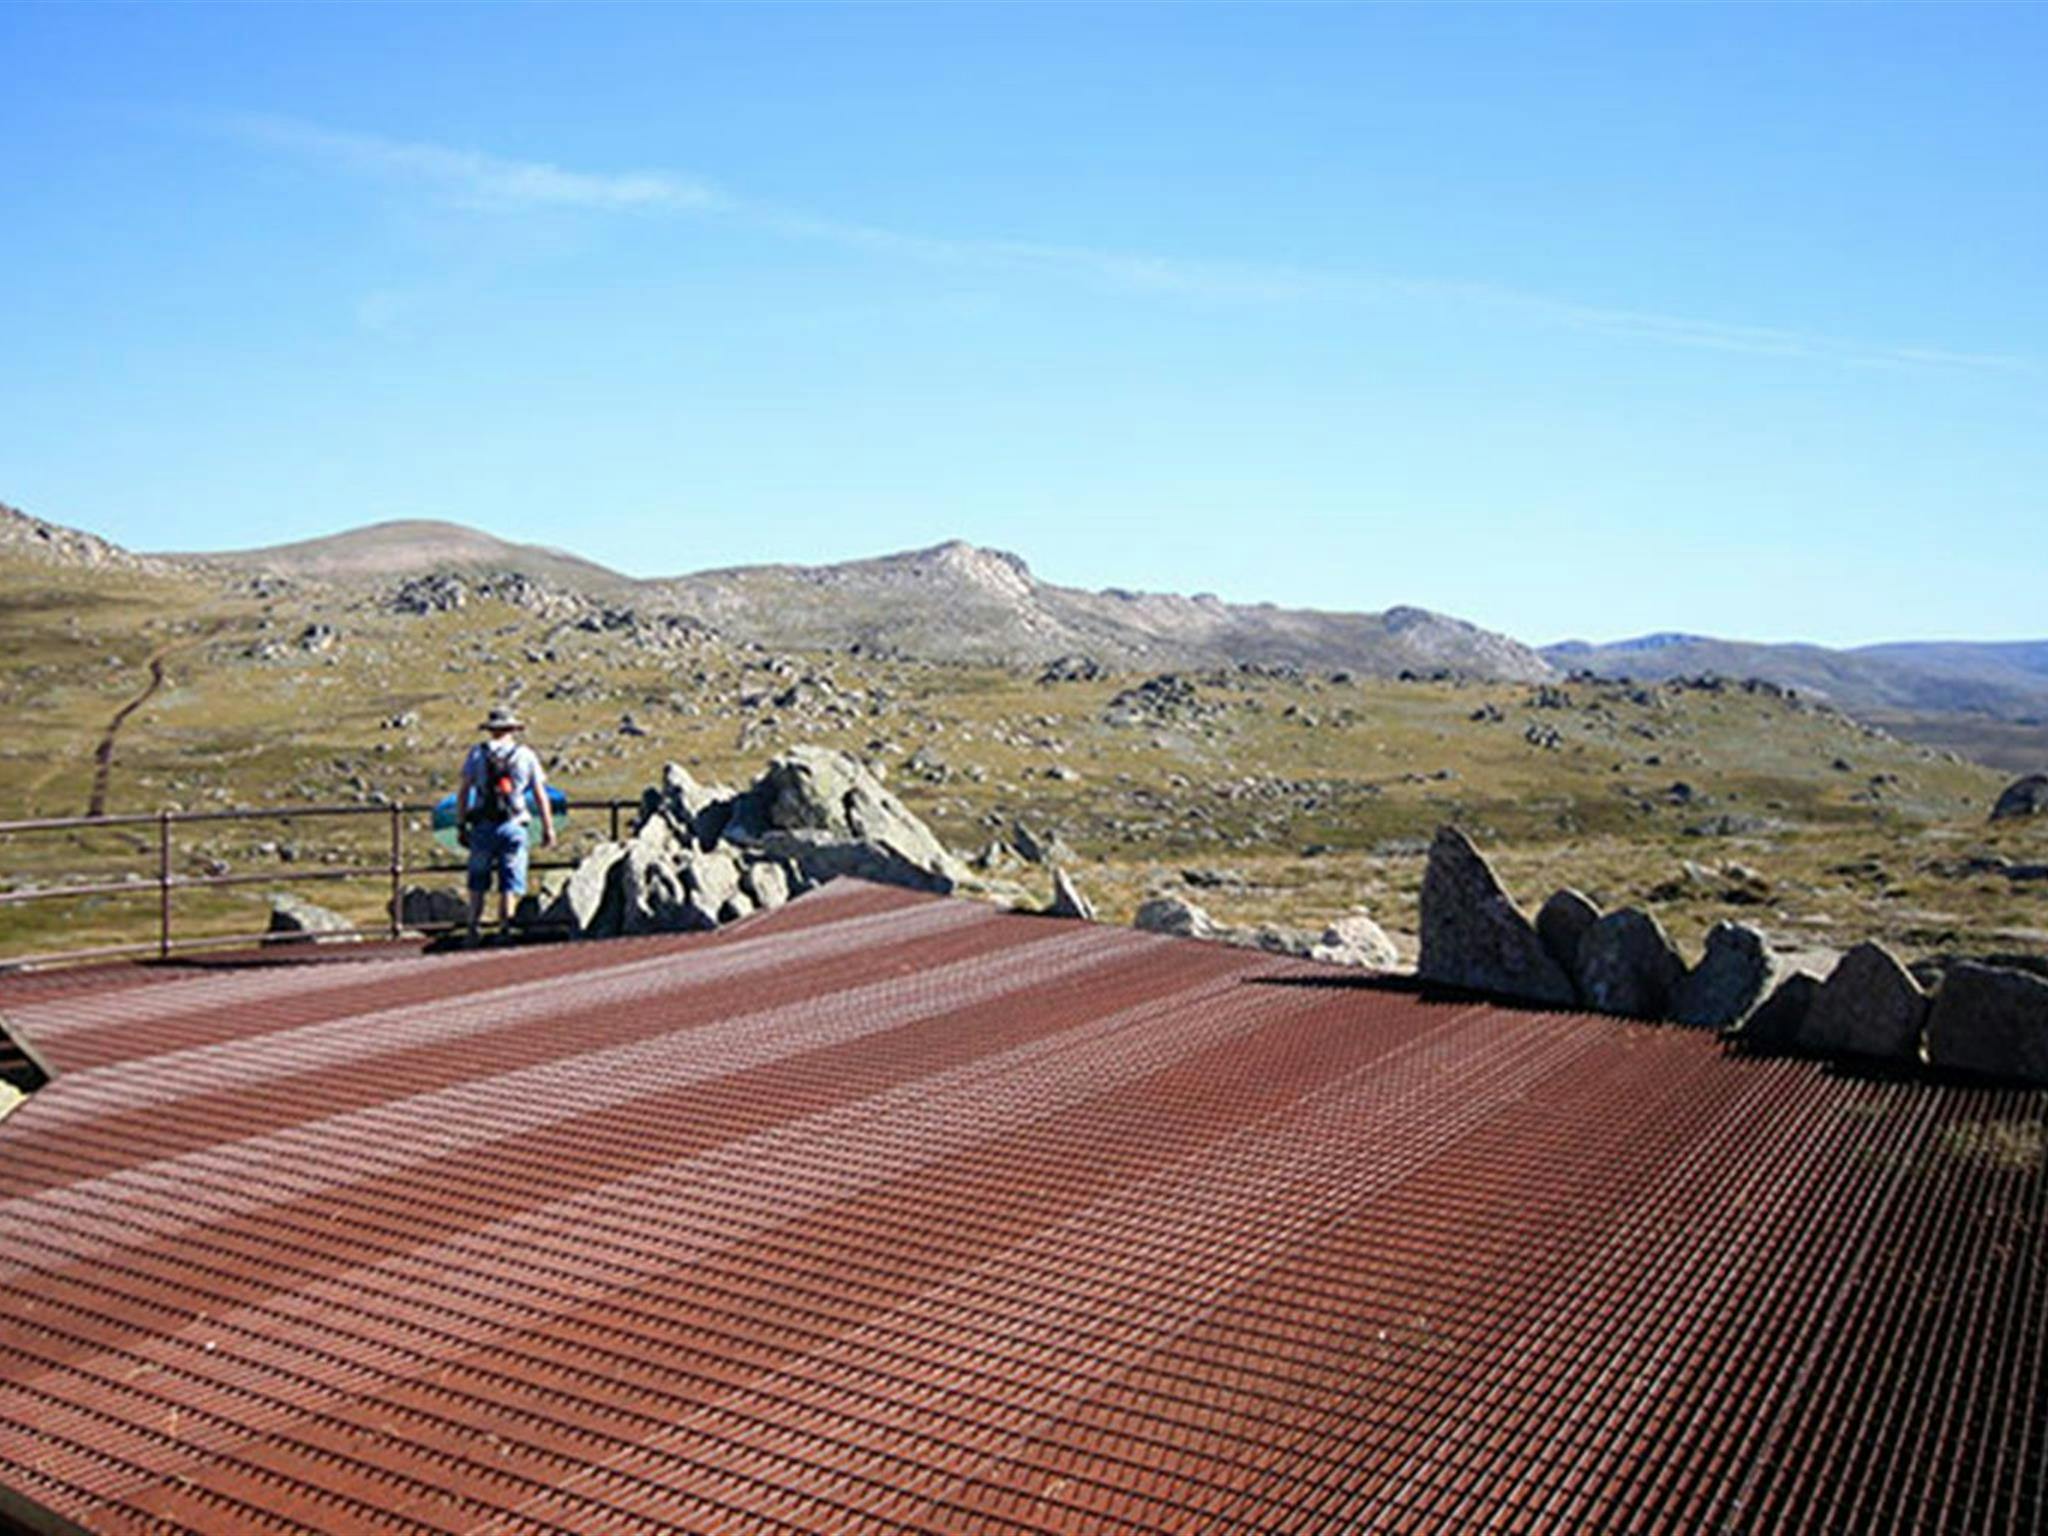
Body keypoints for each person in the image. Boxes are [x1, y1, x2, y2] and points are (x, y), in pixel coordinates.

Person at [456, 705, 555, 943]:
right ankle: (505, 928)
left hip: (482, 824)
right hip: (514, 823)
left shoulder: (477, 754)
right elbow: (540, 794)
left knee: (478, 879)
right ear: (512, 729)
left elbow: (463, 791)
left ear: (490, 730)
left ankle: (473, 928)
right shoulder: (525, 755)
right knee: (510, 878)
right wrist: (547, 826)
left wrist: (461, 824)